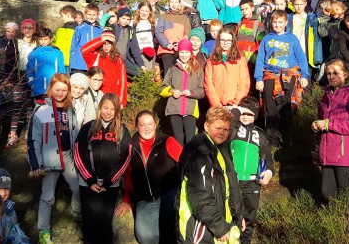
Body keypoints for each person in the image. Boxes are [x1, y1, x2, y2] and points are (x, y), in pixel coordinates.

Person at [27, 74, 82, 243]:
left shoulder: (69, 108)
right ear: (51, 88)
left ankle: (76, 212)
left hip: (66, 155)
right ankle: (44, 231)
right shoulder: (42, 109)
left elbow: (75, 133)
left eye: (65, 90)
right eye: (57, 89)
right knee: (48, 197)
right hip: (49, 158)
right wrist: (35, 163)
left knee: (78, 186)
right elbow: (32, 139)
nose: (61, 93)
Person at [176, 107, 243, 244]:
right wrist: (219, 227)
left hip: (221, 221)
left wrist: (239, 216)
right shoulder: (199, 152)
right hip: (200, 228)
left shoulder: (221, 147)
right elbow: (200, 196)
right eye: (218, 128)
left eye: (226, 129)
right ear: (206, 126)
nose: (222, 133)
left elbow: (231, 185)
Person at [115, 111, 183, 244]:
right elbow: (128, 174)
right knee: (145, 237)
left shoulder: (166, 140)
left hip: (169, 194)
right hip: (145, 200)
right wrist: (127, 200)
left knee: (169, 230)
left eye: (150, 124)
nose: (147, 128)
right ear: (136, 127)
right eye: (142, 125)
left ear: (155, 124)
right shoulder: (131, 146)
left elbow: (186, 161)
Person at [74, 94, 132, 244]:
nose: (108, 112)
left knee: (105, 220)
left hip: (110, 184)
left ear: (117, 111)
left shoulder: (122, 131)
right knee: (89, 218)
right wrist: (89, 179)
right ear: (100, 108)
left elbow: (125, 158)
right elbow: (77, 153)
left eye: (112, 109)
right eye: (105, 107)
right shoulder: (88, 128)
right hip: (87, 183)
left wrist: (109, 181)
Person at [313, 59, 349, 200]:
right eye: (328, 73)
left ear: (345, 74)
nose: (331, 77)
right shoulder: (325, 96)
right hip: (327, 155)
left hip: (346, 156)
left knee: (347, 196)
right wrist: (317, 124)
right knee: (327, 195)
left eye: (335, 73)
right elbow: (324, 120)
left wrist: (329, 124)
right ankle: (333, 222)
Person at [255, 10, 309, 147]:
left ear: (286, 23)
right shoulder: (267, 38)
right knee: (270, 108)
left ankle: (286, 141)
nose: (277, 25)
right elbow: (260, 59)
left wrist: (305, 75)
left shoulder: (292, 38)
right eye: (275, 22)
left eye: (280, 22)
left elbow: (301, 58)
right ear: (271, 22)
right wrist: (258, 78)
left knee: (286, 108)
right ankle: (271, 142)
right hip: (270, 77)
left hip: (288, 77)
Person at [229, 97, 273, 244]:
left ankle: (245, 241)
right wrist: (235, 114)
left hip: (252, 183)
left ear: (255, 116)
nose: (246, 117)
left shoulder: (260, 134)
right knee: (231, 215)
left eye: (250, 114)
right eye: (243, 113)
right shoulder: (232, 129)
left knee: (249, 217)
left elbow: (267, 158)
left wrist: (268, 172)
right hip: (232, 181)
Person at [161, 39, 206, 145]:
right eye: (181, 52)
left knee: (190, 138)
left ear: (191, 53)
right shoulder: (172, 70)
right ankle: (178, 160)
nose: (184, 55)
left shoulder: (197, 70)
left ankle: (189, 160)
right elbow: (162, 89)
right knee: (178, 137)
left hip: (190, 109)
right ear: (178, 53)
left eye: (187, 52)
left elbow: (202, 91)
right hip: (174, 108)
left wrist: (191, 93)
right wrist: (172, 91)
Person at [6, 19, 37, 148]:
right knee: (17, 105)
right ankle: (13, 134)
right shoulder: (16, 43)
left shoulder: (37, 44)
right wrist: (8, 78)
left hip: (33, 77)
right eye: (26, 28)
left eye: (31, 28)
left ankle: (28, 133)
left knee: (30, 105)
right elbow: (9, 61)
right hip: (18, 76)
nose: (28, 31)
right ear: (22, 29)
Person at [81, 29, 128, 109]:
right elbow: (84, 50)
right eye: (104, 44)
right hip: (95, 93)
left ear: (113, 45)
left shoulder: (118, 59)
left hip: (112, 96)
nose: (106, 46)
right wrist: (101, 40)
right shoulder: (95, 56)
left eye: (109, 44)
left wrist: (121, 101)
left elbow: (122, 80)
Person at [155, 0, 200, 75]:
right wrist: (166, 44)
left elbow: (187, 33)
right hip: (166, 49)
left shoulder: (183, 17)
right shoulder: (164, 16)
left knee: (178, 72)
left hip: (180, 50)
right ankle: (167, 88)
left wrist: (180, 44)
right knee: (168, 72)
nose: (174, 4)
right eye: (172, 2)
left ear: (179, 3)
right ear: (168, 3)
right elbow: (158, 32)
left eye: (176, 2)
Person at [205, 29, 250, 108]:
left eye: (228, 40)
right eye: (222, 40)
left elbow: (244, 82)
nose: (225, 43)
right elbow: (208, 84)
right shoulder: (211, 61)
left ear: (233, 41)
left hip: (234, 105)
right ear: (218, 41)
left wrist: (236, 102)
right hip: (217, 106)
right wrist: (216, 104)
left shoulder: (240, 59)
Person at [25, 28, 66, 105]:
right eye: (41, 39)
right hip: (38, 90)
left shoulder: (57, 53)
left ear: (51, 39)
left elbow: (61, 70)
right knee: (40, 113)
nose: (43, 42)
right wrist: (32, 84)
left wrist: (59, 85)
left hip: (54, 90)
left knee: (54, 114)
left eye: (45, 39)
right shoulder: (33, 54)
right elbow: (29, 71)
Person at [287, 0, 323, 78]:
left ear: (305, 4)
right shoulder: (289, 18)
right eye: (296, 4)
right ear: (292, 4)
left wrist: (317, 58)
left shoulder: (311, 18)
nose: (299, 7)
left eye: (301, 4)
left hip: (307, 53)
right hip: (292, 53)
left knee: (306, 80)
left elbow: (317, 38)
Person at [69, 3, 102, 75]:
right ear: (85, 14)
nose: (91, 17)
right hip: (80, 63)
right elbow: (74, 46)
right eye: (89, 14)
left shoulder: (100, 30)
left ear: (98, 15)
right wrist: (73, 64)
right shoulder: (80, 28)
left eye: (94, 15)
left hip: (94, 62)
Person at [134, 2, 158, 72]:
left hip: (150, 54)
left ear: (150, 12)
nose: (144, 13)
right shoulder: (133, 23)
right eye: (142, 10)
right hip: (137, 54)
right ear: (139, 11)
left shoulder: (154, 23)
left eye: (147, 11)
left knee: (149, 75)